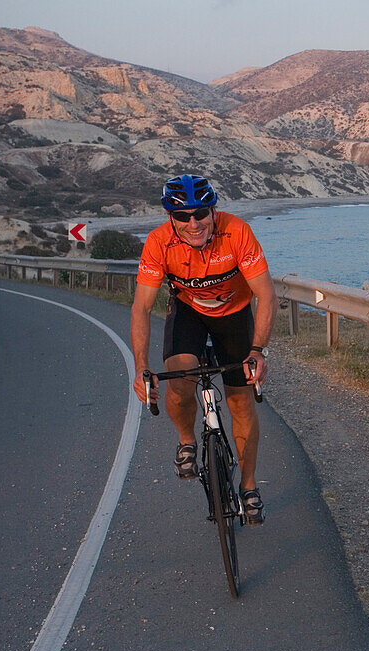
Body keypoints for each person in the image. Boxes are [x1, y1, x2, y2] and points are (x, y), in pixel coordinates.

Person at [130, 174, 278, 525]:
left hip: (234, 315)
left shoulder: (237, 232)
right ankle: (186, 440)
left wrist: (257, 351)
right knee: (180, 380)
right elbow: (141, 307)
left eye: (200, 213)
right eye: (182, 216)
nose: (193, 223)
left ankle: (248, 486)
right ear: (171, 218)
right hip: (189, 314)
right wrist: (140, 367)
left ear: (213, 212)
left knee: (240, 400)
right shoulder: (158, 243)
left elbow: (267, 294)